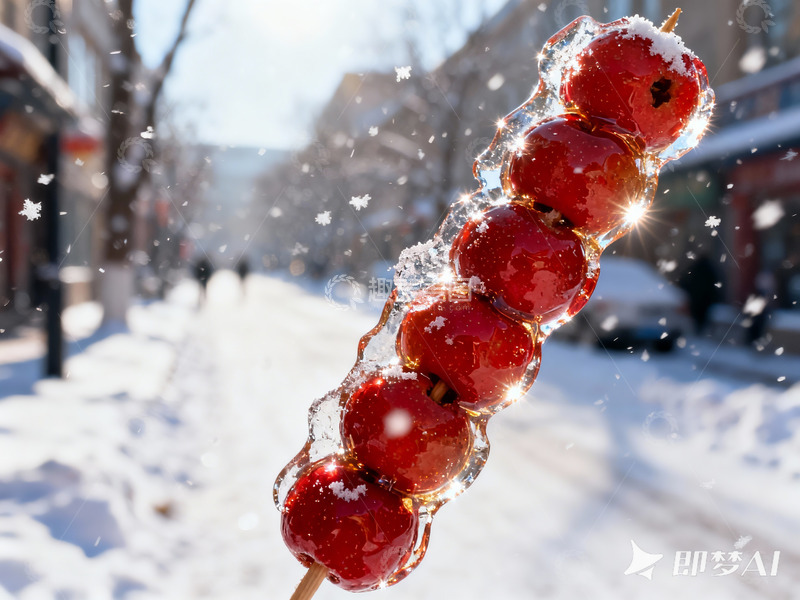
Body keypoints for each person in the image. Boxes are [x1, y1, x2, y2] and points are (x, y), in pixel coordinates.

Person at [678, 254, 720, 335]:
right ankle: (700, 333)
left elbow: (684, 281)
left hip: (695, 299)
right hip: (705, 300)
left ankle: (697, 333)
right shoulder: (710, 270)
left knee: (696, 320)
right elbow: (714, 286)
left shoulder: (694, 269)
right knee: (702, 319)